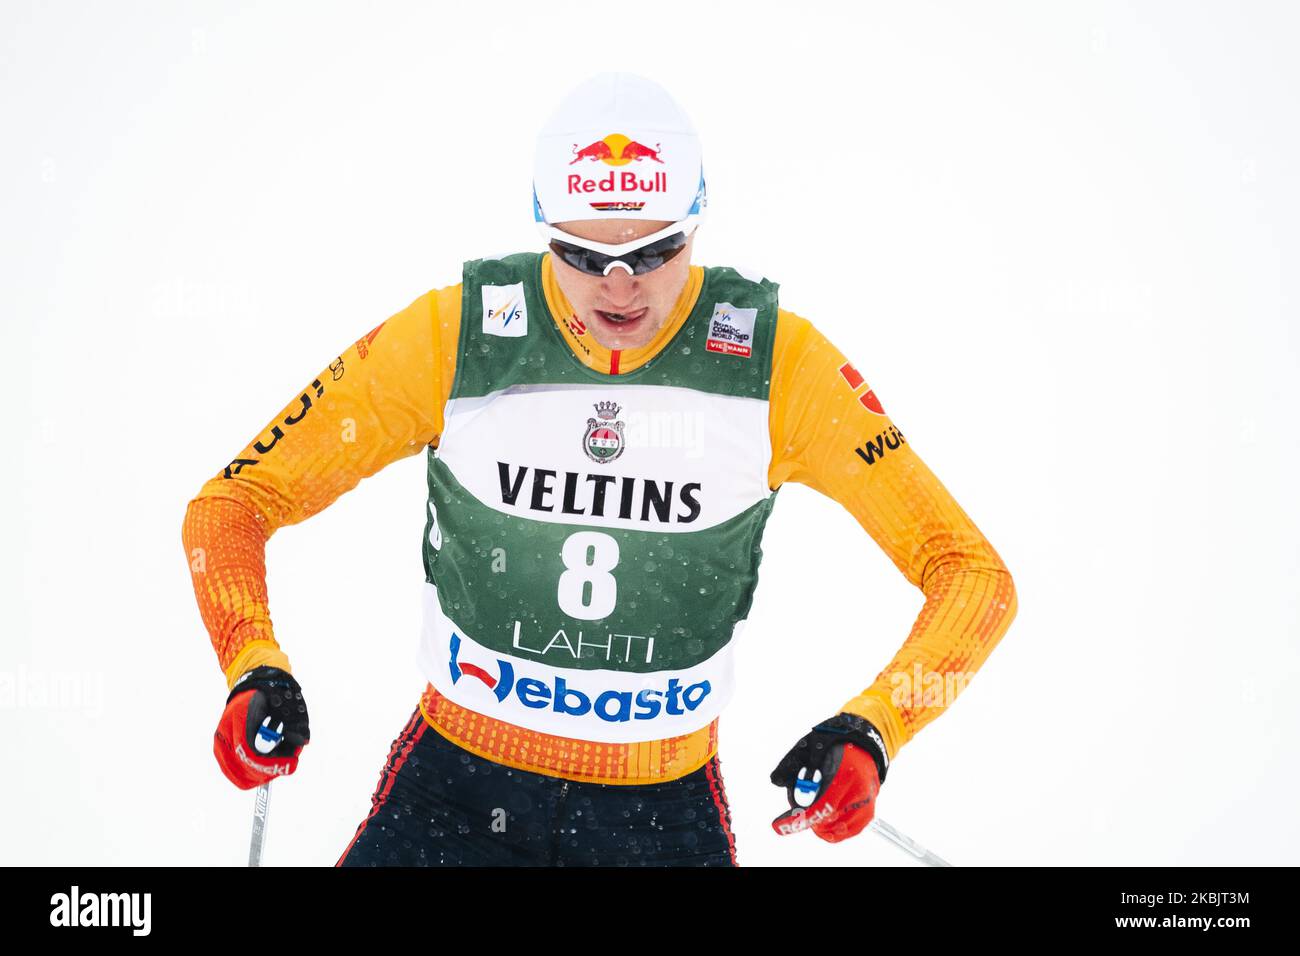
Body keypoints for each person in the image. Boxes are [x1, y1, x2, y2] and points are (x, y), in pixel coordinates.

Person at [184, 72, 1017, 867]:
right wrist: (252, 658)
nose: (619, 287)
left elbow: (972, 576)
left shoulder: (776, 364)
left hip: (658, 817)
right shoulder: (456, 336)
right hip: (457, 796)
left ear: (696, 222)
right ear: (544, 226)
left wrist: (877, 726)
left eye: (653, 251)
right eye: (582, 255)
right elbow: (234, 502)